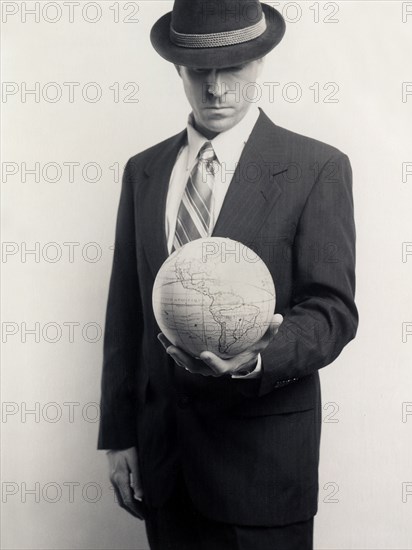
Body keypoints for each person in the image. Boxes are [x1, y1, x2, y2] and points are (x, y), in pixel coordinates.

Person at [98, 1, 359, 548]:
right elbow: (126, 312)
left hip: (262, 468)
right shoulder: (143, 170)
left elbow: (332, 310)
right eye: (199, 71)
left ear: (261, 61)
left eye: (233, 68)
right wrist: (119, 436)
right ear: (177, 70)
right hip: (165, 463)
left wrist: (259, 355)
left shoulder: (317, 168)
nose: (216, 89)